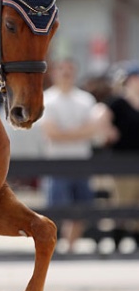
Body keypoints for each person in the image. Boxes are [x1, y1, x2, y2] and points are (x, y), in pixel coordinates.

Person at [39, 58, 101, 253]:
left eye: (70, 71)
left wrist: (66, 133)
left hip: (81, 161)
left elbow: (93, 129)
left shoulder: (85, 99)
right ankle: (54, 246)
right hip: (56, 162)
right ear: (55, 73)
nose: (66, 75)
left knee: (82, 207)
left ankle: (70, 245)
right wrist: (79, 132)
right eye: (63, 71)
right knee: (56, 208)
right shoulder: (47, 98)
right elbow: (51, 133)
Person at [96, 61, 139, 249]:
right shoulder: (118, 102)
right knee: (122, 203)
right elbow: (98, 117)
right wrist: (108, 131)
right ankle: (117, 242)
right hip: (122, 160)